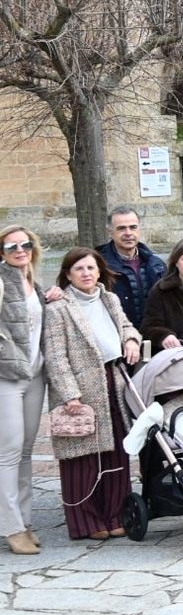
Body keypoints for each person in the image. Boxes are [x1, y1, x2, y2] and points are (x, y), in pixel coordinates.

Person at [42, 248, 142, 540]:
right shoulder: (59, 308)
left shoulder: (109, 299)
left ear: (100, 270)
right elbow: (56, 355)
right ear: (68, 275)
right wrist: (69, 393)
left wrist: (132, 339)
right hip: (80, 391)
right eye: (79, 269)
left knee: (116, 454)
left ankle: (115, 514)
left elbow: (126, 326)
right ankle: (86, 521)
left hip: (114, 381)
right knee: (82, 457)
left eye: (90, 268)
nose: (86, 273)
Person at [0, 225, 48, 553]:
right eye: (11, 246)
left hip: (35, 375)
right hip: (6, 375)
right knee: (9, 451)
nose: (20, 250)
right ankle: (11, 526)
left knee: (27, 449)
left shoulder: (36, 284)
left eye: (25, 244)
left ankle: (26, 520)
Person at [98, 206, 165, 331]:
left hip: (154, 338)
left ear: (139, 229)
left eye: (133, 227)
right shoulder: (98, 265)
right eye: (121, 228)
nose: (128, 233)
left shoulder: (157, 265)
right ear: (110, 232)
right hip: (117, 338)